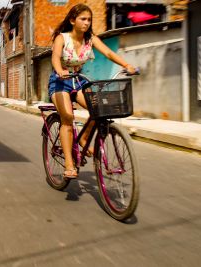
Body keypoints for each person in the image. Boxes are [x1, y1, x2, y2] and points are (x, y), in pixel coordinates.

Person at [48, 3, 136, 179]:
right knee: (68, 119)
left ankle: (83, 138)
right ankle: (69, 164)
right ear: (73, 20)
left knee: (99, 110)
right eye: (83, 19)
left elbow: (109, 53)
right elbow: (55, 58)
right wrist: (60, 70)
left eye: (89, 19)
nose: (86, 23)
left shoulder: (90, 38)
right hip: (60, 82)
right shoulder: (62, 38)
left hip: (79, 81)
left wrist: (126, 65)